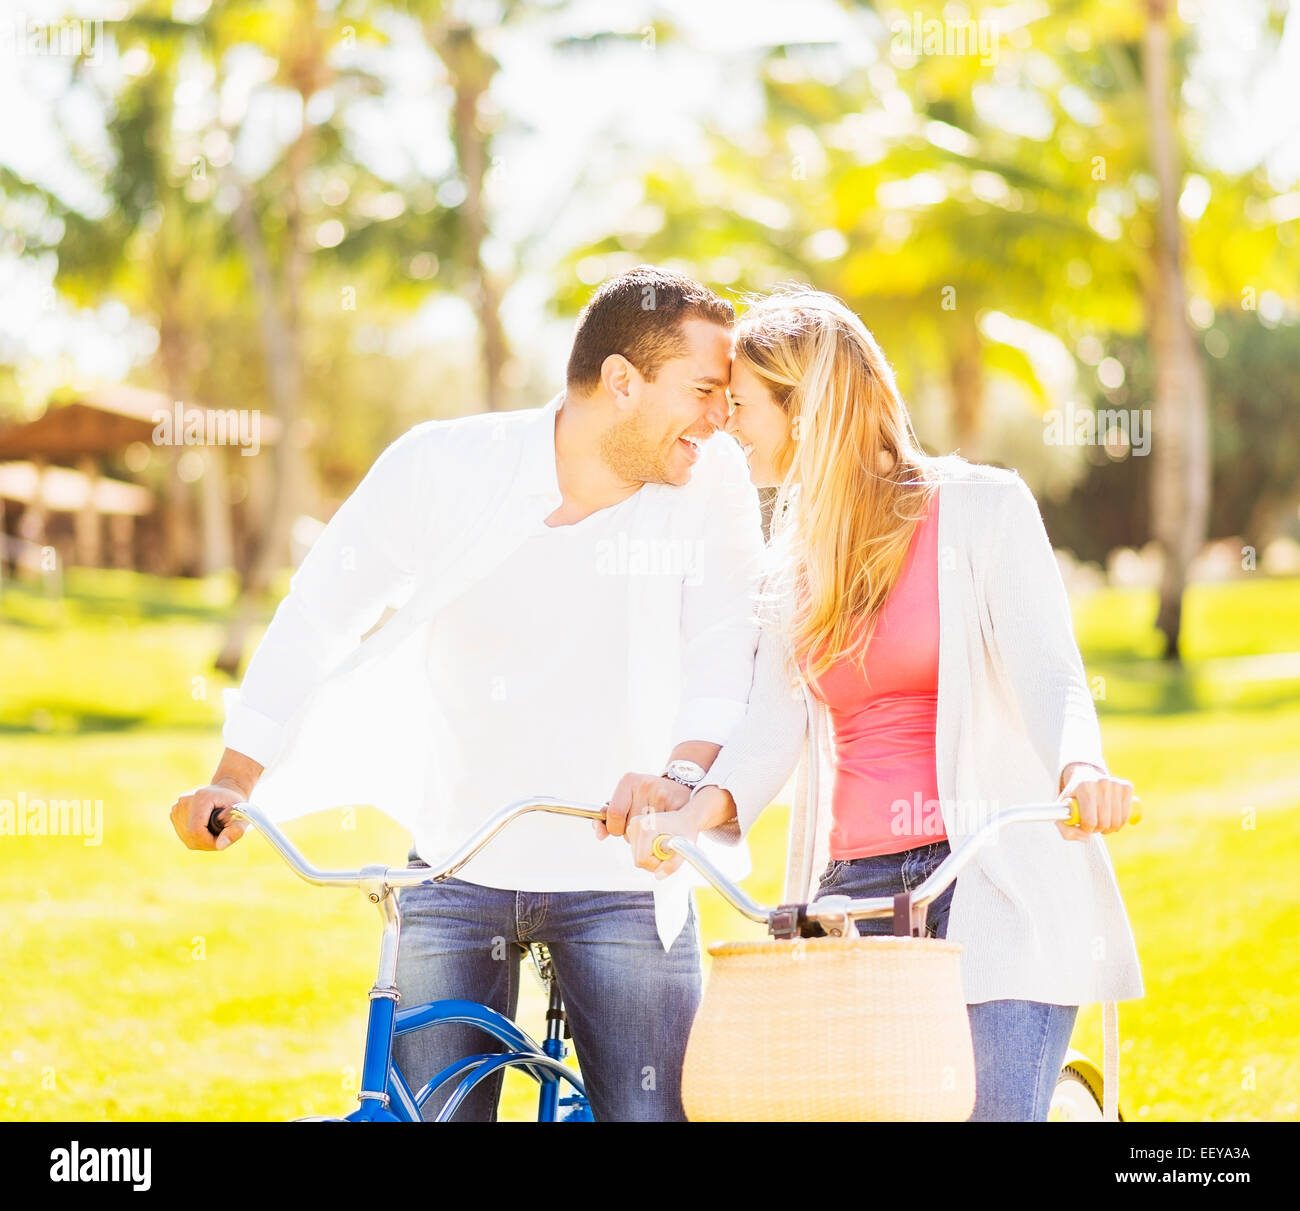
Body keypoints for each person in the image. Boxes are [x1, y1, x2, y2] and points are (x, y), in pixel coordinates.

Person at [169, 266, 764, 1122]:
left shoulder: (711, 484)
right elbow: (322, 610)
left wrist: (679, 775)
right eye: (706, 390)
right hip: (455, 862)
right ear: (622, 382)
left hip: (626, 878)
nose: (722, 418)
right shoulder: (444, 466)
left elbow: (723, 654)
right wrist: (235, 777)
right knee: (429, 1115)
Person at [612, 287, 1144, 1123]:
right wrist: (690, 814)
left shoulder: (980, 510)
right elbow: (770, 728)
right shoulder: (793, 565)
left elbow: (1054, 674)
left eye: (745, 405)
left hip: (988, 878)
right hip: (854, 894)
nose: (728, 425)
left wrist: (1082, 767)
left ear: (807, 408)